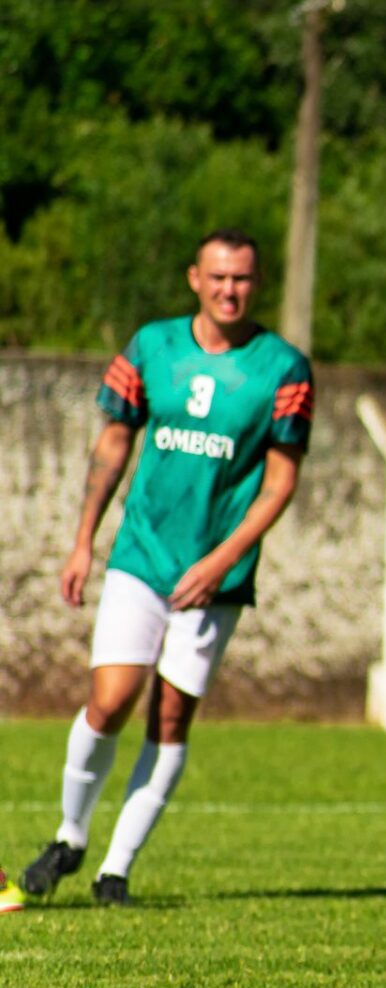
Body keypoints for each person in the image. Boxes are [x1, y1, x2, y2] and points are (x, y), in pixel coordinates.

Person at [21, 229, 313, 907]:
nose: (229, 290)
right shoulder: (152, 347)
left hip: (216, 578)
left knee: (172, 717)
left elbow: (280, 481)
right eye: (217, 278)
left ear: (256, 282)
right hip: (141, 557)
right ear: (194, 279)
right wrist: (82, 540)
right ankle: (69, 835)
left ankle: (115, 871)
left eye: (241, 279)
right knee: (110, 700)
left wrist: (221, 561)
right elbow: (114, 441)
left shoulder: (284, 368)